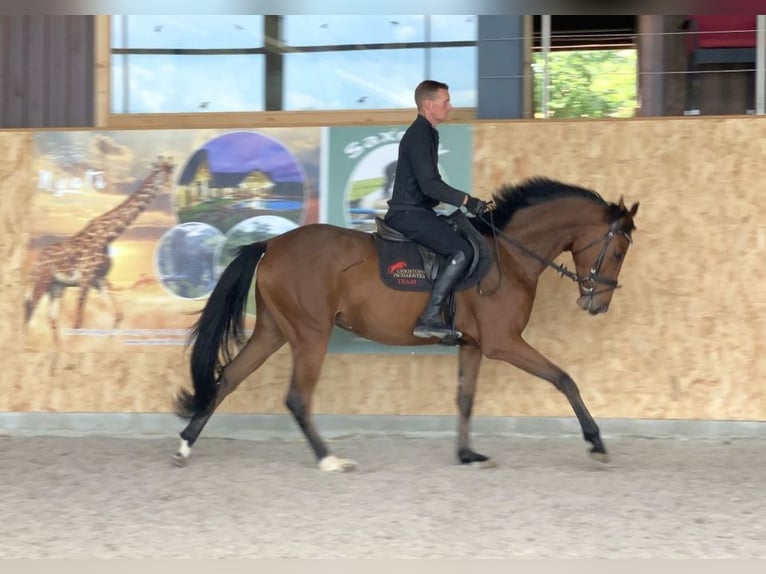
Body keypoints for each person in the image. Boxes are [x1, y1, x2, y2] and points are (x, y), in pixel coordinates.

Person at [383, 80, 488, 340]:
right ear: (429, 105)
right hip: (408, 214)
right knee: (461, 250)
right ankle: (429, 318)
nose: (450, 107)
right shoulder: (420, 133)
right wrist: (466, 200)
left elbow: (427, 185)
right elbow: (429, 184)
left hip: (418, 212)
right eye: (446, 102)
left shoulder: (427, 132)